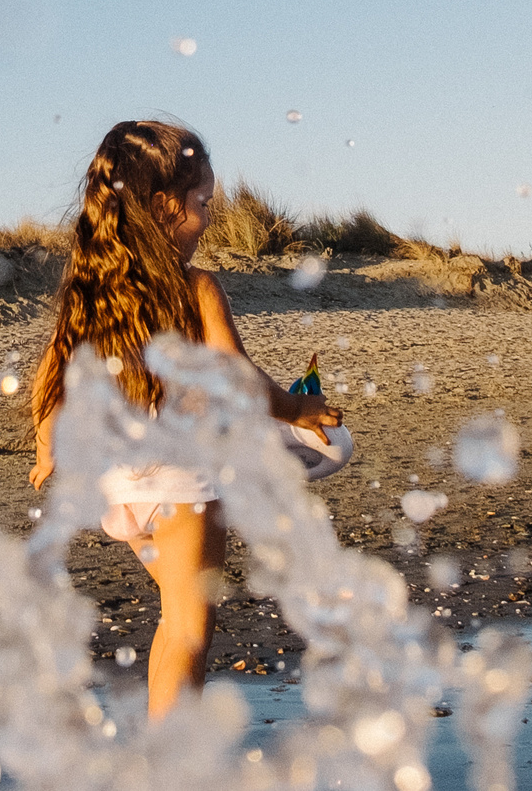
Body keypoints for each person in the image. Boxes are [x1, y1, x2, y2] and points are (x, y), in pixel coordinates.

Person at [27, 119, 341, 718]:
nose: (208, 219)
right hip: (182, 485)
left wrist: (47, 447)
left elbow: (54, 375)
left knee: (173, 617)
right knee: (190, 630)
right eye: (202, 204)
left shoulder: (93, 294)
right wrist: (297, 407)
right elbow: (239, 379)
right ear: (162, 207)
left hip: (119, 487)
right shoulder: (195, 288)